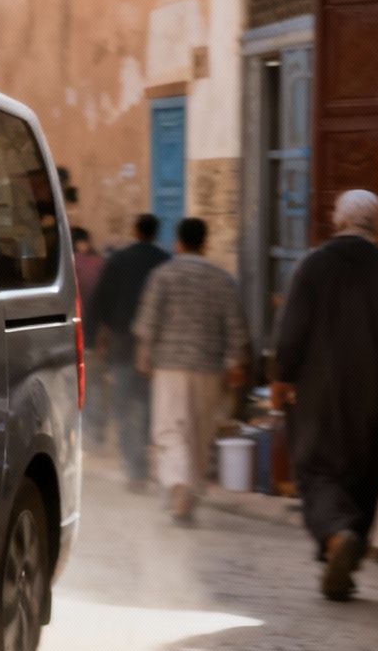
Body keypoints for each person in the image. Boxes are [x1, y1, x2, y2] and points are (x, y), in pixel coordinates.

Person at [271, 189, 378, 601]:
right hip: (374, 394)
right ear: (376, 226)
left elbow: (291, 330)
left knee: (318, 470)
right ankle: (346, 550)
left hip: (318, 391)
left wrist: (281, 378)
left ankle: (337, 537)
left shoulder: (312, 265)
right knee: (363, 472)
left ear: (339, 220)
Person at [132, 216, 249, 524]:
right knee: (199, 432)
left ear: (178, 242)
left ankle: (179, 483)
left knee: (171, 430)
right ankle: (190, 491)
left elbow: (148, 323)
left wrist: (144, 357)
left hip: (169, 367)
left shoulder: (163, 275)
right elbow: (237, 327)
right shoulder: (222, 279)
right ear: (205, 242)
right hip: (209, 369)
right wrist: (235, 363)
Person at [90, 213, 171, 486]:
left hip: (122, 345)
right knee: (148, 406)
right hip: (154, 349)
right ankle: (141, 461)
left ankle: (133, 464)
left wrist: (96, 339)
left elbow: (100, 301)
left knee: (122, 406)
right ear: (156, 232)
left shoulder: (119, 260)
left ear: (136, 230)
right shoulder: (165, 262)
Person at [71, 226, 109, 449]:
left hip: (75, 335)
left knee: (76, 387)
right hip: (97, 336)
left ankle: (83, 437)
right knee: (94, 386)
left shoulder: (72, 264)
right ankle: (97, 435)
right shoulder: (101, 264)